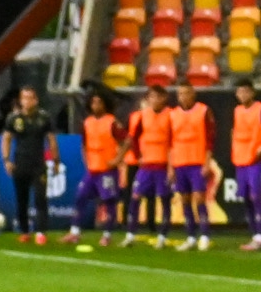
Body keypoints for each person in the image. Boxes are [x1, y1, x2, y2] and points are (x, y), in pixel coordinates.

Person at [0, 86, 54, 244]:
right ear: (21, 100)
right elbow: (6, 138)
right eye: (24, 98)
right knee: (22, 199)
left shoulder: (43, 118)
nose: (27, 101)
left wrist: (55, 160)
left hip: (38, 164)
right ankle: (25, 231)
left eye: (30, 98)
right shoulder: (14, 119)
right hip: (20, 163)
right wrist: (6, 160)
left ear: (36, 100)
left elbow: (51, 139)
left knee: (40, 198)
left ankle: (41, 232)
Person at [123, 83, 173, 248]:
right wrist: (138, 156)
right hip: (146, 166)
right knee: (135, 197)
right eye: (151, 97)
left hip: (163, 165)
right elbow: (134, 137)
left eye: (158, 97)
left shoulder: (171, 115)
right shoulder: (143, 115)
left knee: (164, 199)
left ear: (164, 98)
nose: (154, 100)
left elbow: (174, 141)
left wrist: (172, 165)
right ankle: (130, 234)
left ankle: (162, 236)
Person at [169, 81, 215, 251]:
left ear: (193, 94)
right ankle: (190, 237)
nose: (183, 97)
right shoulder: (173, 114)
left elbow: (210, 139)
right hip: (179, 162)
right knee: (185, 200)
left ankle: (205, 235)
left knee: (199, 198)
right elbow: (170, 143)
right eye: (180, 94)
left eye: (186, 93)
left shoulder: (203, 111)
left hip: (197, 161)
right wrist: (170, 167)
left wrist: (207, 162)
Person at [75, 88, 123, 246]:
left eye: (99, 102)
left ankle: (107, 235)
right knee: (80, 197)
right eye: (93, 102)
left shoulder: (112, 122)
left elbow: (127, 141)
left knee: (109, 201)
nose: (96, 105)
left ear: (105, 104)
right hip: (92, 170)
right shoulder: (87, 122)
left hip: (107, 170)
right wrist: (86, 162)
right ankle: (75, 232)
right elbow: (84, 145)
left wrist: (117, 159)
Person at [233, 78, 261, 252]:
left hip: (256, 159)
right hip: (241, 159)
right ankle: (255, 235)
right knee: (246, 198)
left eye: (246, 91)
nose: (242, 95)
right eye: (240, 92)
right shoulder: (237, 110)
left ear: (252, 92)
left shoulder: (259, 109)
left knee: (256, 196)